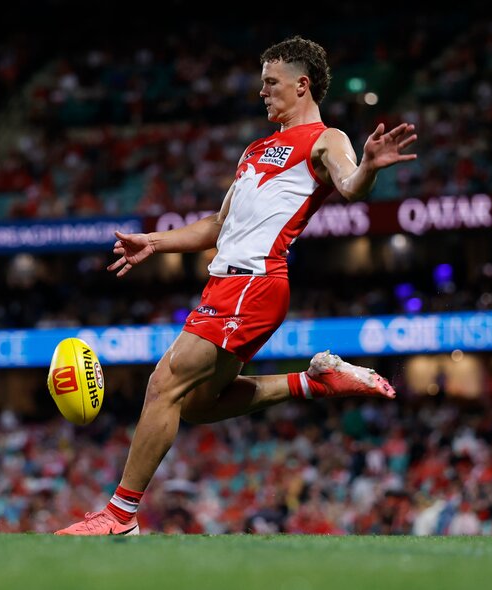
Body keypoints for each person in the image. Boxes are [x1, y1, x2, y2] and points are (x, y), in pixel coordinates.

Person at [55, 35, 417, 535]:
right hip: (228, 286)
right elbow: (215, 226)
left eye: (271, 84)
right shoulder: (256, 150)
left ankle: (119, 517)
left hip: (255, 284)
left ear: (301, 85)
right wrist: (154, 243)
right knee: (199, 405)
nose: (262, 92)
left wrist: (371, 168)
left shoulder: (325, 138)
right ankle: (312, 382)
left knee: (163, 384)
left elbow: (351, 185)